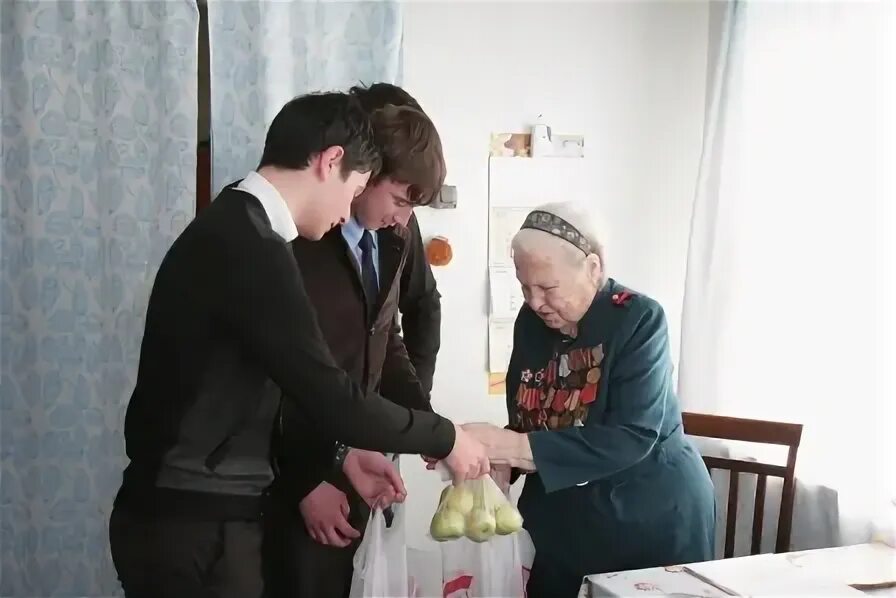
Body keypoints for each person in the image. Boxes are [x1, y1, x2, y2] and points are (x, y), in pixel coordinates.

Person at [108, 91, 489, 598]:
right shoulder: (251, 248)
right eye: (354, 188)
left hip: (199, 513)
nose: (348, 208)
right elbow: (330, 394)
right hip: (193, 524)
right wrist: (445, 437)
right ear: (331, 162)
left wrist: (343, 457)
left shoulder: (240, 227)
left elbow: (280, 383)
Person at [463, 202, 716, 597]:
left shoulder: (639, 319)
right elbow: (536, 419)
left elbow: (631, 434)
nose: (534, 302)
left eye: (547, 288)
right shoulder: (531, 323)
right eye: (524, 287)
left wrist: (512, 447)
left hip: (645, 517)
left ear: (593, 268)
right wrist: (500, 460)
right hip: (564, 523)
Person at [265, 92, 445, 597]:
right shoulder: (298, 235)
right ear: (362, 173)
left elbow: (387, 340)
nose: (405, 219)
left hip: (357, 455)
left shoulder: (393, 237)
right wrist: (304, 478)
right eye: (400, 201)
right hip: (293, 468)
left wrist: (422, 425)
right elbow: (277, 372)